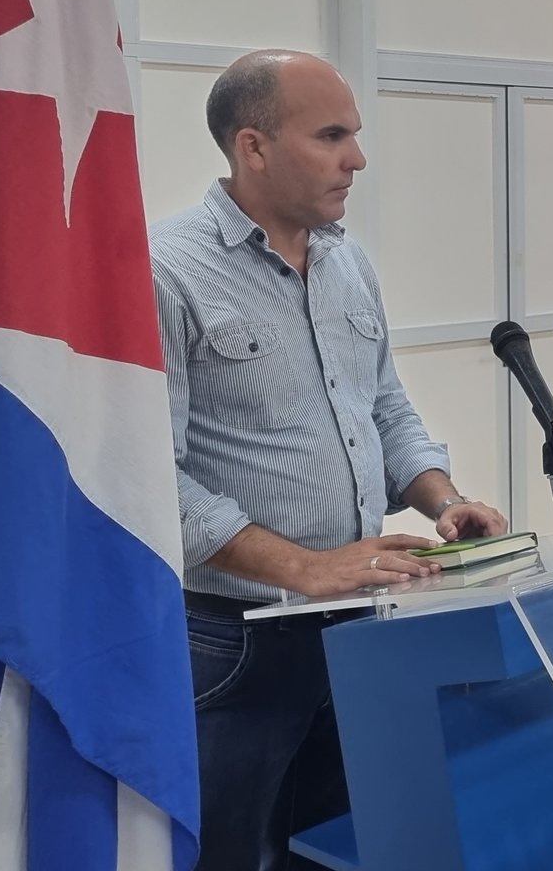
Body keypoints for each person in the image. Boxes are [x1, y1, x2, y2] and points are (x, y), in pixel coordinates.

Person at [150, 50, 508, 870]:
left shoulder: (346, 261)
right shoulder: (165, 270)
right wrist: (303, 568)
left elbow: (382, 404)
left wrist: (439, 497)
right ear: (254, 147)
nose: (358, 158)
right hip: (234, 640)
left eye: (355, 135)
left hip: (359, 624)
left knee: (338, 842)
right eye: (332, 135)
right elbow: (149, 477)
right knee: (229, 852)